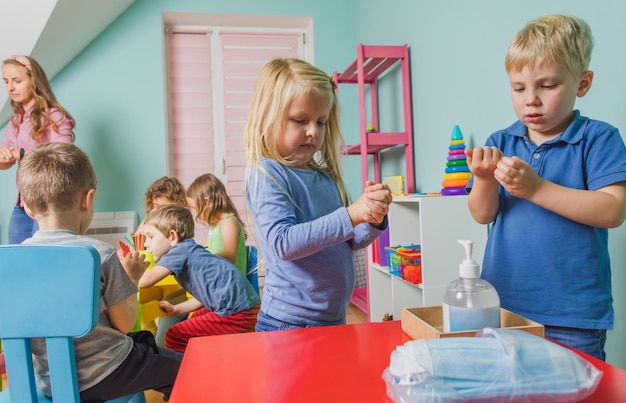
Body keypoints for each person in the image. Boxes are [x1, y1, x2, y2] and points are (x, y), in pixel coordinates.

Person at [465, 14, 626, 361]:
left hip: (574, 315)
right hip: (506, 306)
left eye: (547, 85)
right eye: (519, 88)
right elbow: (482, 215)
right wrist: (482, 179)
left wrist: (536, 188)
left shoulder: (598, 138)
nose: (531, 100)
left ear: (582, 84)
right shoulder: (501, 141)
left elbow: (613, 210)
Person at [17, 142, 181, 401]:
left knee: (143, 343)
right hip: (106, 374)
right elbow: (124, 324)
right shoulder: (98, 254)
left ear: (27, 206)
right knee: (184, 370)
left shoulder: (14, 260)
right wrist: (132, 277)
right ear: (88, 199)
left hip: (50, 381)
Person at [243, 58, 392, 331]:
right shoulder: (268, 174)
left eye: (321, 122)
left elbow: (346, 239)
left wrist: (371, 219)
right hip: (288, 323)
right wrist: (350, 214)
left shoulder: (324, 178)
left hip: (332, 317)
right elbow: (282, 242)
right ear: (268, 117)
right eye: (300, 120)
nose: (313, 131)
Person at [138, 204, 260, 353]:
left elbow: (146, 280)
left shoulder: (178, 251)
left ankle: (186, 371)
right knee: (197, 317)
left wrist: (129, 272)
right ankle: (206, 359)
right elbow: (206, 295)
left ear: (172, 236)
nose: (145, 244)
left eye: (150, 237)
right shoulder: (191, 249)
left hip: (237, 313)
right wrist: (177, 309)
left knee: (175, 335)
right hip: (246, 308)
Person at [0, 55, 75, 244]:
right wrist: (4, 156)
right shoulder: (16, 119)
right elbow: (5, 160)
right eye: (6, 81)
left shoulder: (54, 116)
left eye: (17, 81)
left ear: (33, 81)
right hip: (23, 200)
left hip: (48, 201)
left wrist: (21, 154)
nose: (10, 87)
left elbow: (64, 155)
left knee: (42, 256)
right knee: (16, 258)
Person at [186, 172, 247, 276]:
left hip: (231, 284)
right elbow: (201, 250)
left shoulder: (229, 222)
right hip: (219, 281)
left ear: (207, 202)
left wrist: (203, 260)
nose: (195, 213)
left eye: (194, 208)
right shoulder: (214, 227)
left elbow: (230, 255)